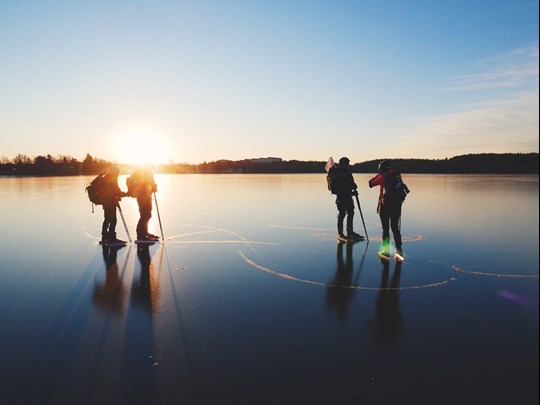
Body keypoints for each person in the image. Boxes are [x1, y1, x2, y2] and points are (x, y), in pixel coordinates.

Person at [368, 160, 407, 260]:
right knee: (395, 228)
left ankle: (385, 251)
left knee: (385, 229)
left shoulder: (383, 176)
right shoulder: (397, 175)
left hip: (385, 205)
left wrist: (378, 175)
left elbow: (371, 183)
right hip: (397, 205)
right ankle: (399, 251)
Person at [329, 157, 363, 242]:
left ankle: (350, 231)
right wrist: (351, 191)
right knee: (342, 213)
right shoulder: (338, 173)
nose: (348, 165)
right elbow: (340, 187)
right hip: (341, 197)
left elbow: (349, 184)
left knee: (351, 212)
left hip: (348, 197)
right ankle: (340, 233)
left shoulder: (347, 172)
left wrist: (353, 187)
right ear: (343, 164)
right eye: (347, 163)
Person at [127, 167, 159, 242]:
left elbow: (150, 188)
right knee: (145, 215)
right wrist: (154, 186)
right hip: (144, 198)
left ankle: (144, 232)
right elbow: (149, 188)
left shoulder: (144, 176)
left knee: (146, 215)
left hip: (144, 198)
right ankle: (141, 235)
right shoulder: (145, 177)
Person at [100, 166, 128, 245]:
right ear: (114, 173)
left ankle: (105, 237)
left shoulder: (106, 179)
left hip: (106, 203)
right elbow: (117, 192)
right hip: (110, 203)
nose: (118, 175)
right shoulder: (112, 180)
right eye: (118, 173)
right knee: (112, 220)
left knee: (107, 219)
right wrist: (127, 194)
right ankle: (112, 238)